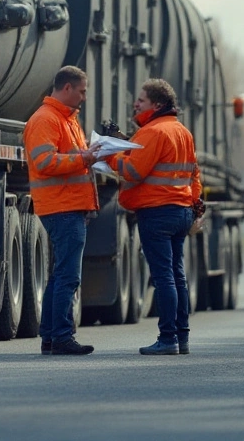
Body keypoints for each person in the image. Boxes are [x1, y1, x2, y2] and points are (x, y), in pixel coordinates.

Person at [103, 78, 203, 356]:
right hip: (181, 211)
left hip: (157, 212)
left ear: (157, 105)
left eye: (141, 100)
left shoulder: (153, 132)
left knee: (163, 278)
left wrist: (109, 154)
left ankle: (167, 337)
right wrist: (194, 204)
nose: (136, 103)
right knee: (177, 276)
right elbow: (194, 174)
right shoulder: (182, 132)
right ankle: (181, 337)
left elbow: (133, 171)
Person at [23, 65, 100, 356]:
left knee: (60, 275)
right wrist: (84, 159)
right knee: (68, 276)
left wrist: (88, 155)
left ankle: (52, 337)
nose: (84, 97)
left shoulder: (66, 119)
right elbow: (44, 162)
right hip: (62, 206)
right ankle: (62, 337)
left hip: (67, 205)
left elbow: (67, 156)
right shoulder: (47, 120)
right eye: (81, 91)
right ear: (66, 88)